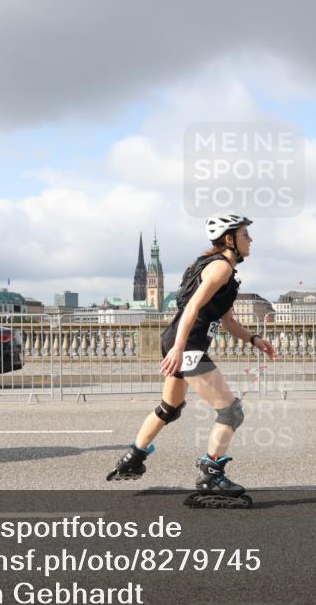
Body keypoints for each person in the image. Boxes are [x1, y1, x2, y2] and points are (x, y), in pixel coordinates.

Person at [106, 213, 276, 507]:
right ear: (229, 239)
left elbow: (226, 320)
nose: (251, 240)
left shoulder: (219, 269)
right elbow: (194, 306)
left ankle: (133, 457)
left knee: (169, 408)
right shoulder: (220, 268)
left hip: (178, 342)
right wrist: (181, 348)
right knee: (231, 412)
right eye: (245, 235)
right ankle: (211, 474)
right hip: (187, 346)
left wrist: (253, 339)